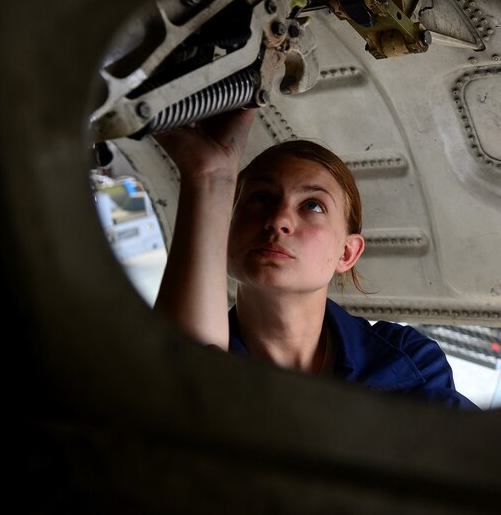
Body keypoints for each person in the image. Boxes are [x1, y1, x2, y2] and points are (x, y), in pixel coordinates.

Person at [152, 107, 478, 410]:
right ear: (226, 230)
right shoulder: (193, 352)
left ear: (347, 253)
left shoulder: (408, 362)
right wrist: (210, 175)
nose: (278, 219)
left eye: (312, 205)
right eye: (261, 197)